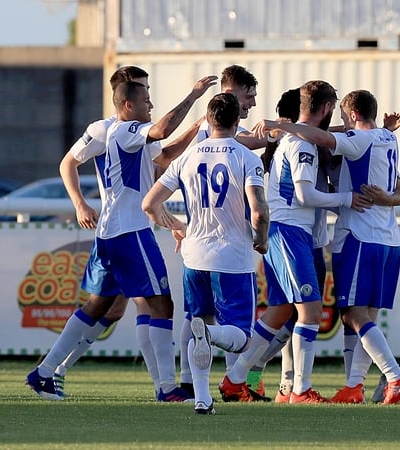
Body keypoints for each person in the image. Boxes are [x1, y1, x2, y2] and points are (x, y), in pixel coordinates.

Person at [26, 74, 218, 402]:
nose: (152, 105)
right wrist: (194, 95)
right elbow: (160, 130)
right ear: (128, 104)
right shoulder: (124, 129)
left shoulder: (127, 134)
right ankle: (167, 388)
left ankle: (44, 372)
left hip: (113, 233)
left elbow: (164, 152)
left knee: (99, 306)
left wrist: (198, 126)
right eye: (146, 99)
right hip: (130, 232)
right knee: (161, 304)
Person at [252, 89, 400, 405]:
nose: (339, 125)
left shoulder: (355, 142)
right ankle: (353, 386)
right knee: (358, 315)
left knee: (349, 315)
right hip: (388, 240)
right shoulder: (386, 139)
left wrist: (282, 126)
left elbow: (326, 138)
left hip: (358, 237)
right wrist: (389, 197)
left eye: (343, 117)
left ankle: (394, 376)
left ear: (352, 115)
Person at [219, 80, 371, 404]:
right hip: (290, 233)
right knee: (310, 313)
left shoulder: (294, 137)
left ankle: (236, 379)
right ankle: (299, 389)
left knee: (280, 312)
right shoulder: (302, 144)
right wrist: (347, 198)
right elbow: (303, 194)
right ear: (327, 108)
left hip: (287, 232)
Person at [142, 92, 270, 415]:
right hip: (232, 258)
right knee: (240, 336)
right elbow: (258, 212)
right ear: (237, 121)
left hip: (194, 257)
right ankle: (210, 336)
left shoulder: (187, 157)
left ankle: (202, 397)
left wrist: (177, 226)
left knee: (197, 319)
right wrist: (263, 239)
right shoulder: (247, 158)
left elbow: (149, 205)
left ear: (208, 120)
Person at [53, 66, 165, 399]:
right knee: (151, 304)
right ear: (125, 96)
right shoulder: (104, 130)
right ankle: (166, 386)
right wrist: (79, 203)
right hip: (122, 229)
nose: (149, 99)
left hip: (133, 225)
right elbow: (68, 163)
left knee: (113, 309)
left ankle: (54, 369)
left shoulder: (140, 130)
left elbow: (161, 163)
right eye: (143, 91)